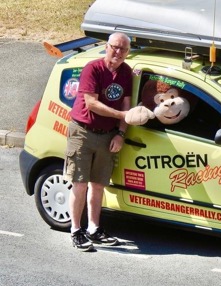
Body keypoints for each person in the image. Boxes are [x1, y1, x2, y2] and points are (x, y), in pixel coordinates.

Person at [64, 32, 132, 251]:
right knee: (80, 183)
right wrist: (121, 117)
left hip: (107, 134)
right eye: (115, 47)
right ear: (106, 47)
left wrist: (121, 134)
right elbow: (91, 104)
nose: (118, 52)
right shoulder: (92, 69)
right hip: (82, 132)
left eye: (123, 49)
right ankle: (76, 230)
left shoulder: (126, 72)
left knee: (98, 185)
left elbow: (127, 105)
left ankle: (94, 228)